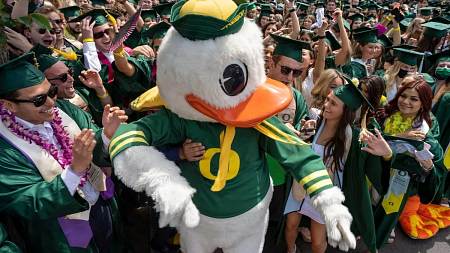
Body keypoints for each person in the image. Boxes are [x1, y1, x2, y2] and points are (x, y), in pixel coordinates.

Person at [0, 53, 131, 253]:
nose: (51, 103)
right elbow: (27, 200)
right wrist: (75, 170)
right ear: (9, 105)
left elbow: (87, 143)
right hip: (62, 230)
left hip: (100, 202)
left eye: (51, 91)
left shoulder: (63, 109)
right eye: (39, 99)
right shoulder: (5, 148)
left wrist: (106, 135)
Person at [284, 79, 393, 253]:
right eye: (327, 99)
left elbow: (377, 176)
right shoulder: (314, 123)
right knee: (290, 226)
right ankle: (291, 250)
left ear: (346, 111)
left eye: (333, 103)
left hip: (326, 194)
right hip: (302, 186)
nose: (326, 105)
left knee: (318, 243)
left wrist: (386, 156)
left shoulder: (356, 138)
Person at [374, 78, 445, 248]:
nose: (405, 102)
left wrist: (428, 167)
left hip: (400, 181)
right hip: (375, 172)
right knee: (369, 207)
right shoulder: (385, 116)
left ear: (423, 103)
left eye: (414, 99)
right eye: (403, 96)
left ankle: (374, 246)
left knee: (385, 217)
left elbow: (434, 163)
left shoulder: (424, 132)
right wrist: (402, 137)